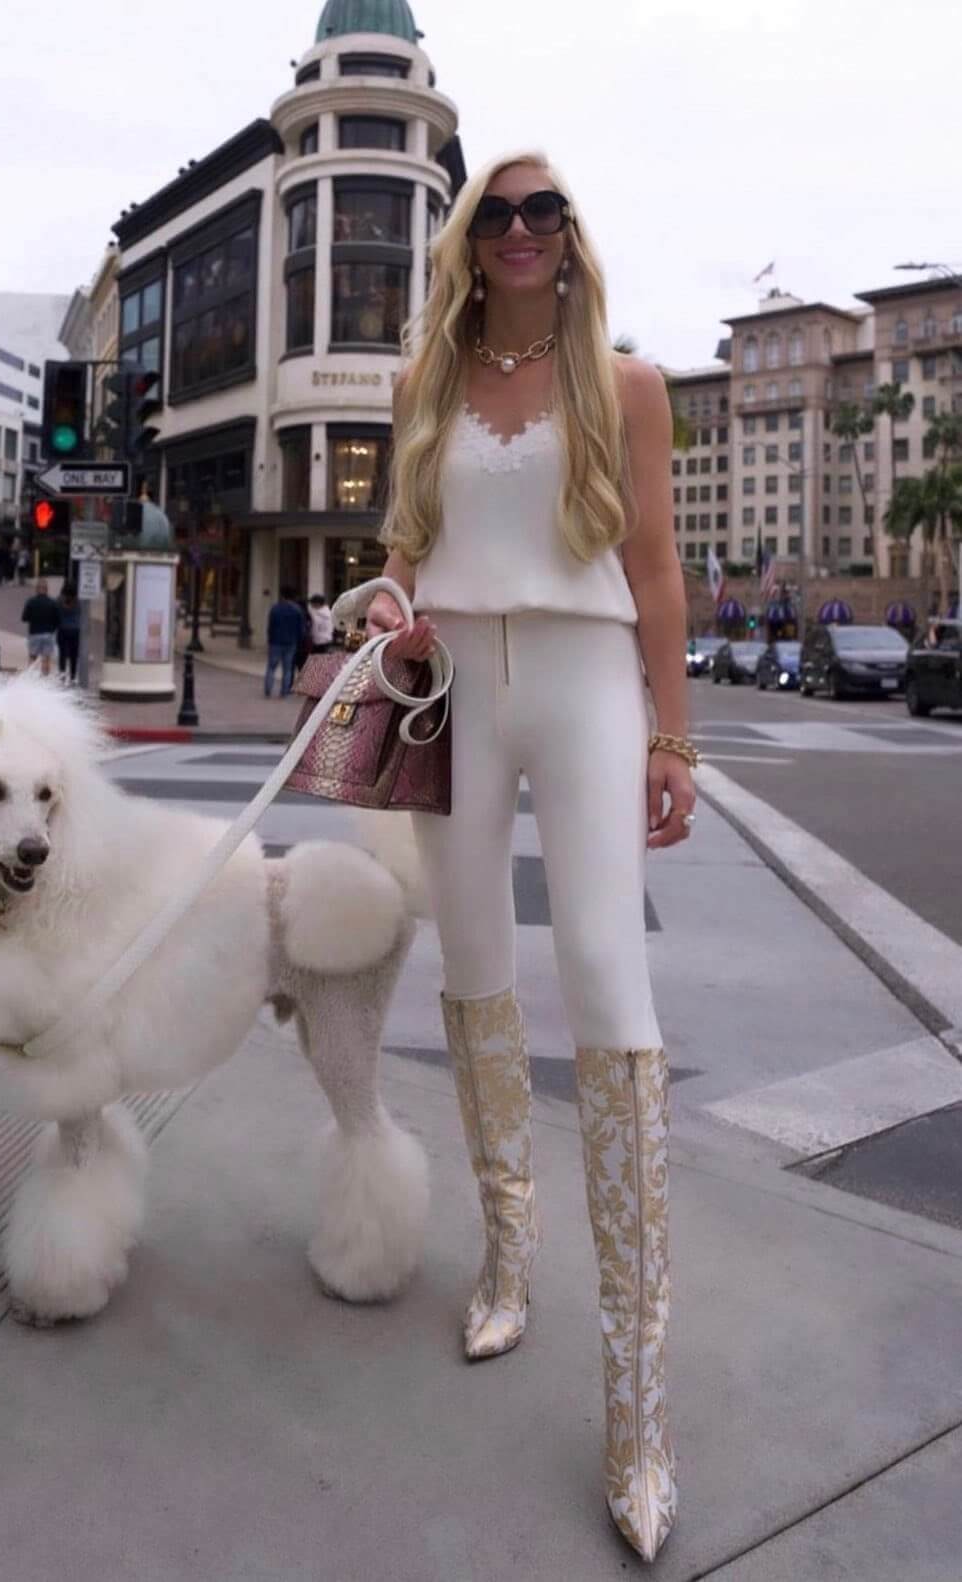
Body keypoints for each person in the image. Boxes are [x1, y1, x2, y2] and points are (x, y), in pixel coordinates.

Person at [366, 150, 696, 1564]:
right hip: (452, 686)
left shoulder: (625, 385)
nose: (516, 230)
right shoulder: (424, 382)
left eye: (539, 210)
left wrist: (671, 735)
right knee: (473, 966)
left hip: (583, 678)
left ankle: (637, 1404)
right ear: (469, 238)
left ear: (568, 235)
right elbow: (407, 543)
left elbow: (655, 566)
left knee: (610, 983)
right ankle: (507, 1252)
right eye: (494, 213)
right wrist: (391, 604)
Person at [264, 586, 305, 697]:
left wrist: (269, 639)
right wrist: (299, 640)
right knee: (287, 668)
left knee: (271, 666)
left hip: (276, 641)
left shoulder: (275, 608)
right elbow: (300, 629)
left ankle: (268, 689)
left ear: (282, 596)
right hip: (291, 642)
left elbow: (271, 626)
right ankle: (284, 691)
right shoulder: (297, 610)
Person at [21, 578, 60, 677]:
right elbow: (58, 619)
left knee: (32, 657)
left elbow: (24, 618)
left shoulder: (31, 602)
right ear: (47, 589)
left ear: (36, 589)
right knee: (46, 658)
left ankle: (31, 677)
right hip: (48, 633)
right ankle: (45, 678)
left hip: (34, 633)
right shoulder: (52, 602)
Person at [56, 583, 82, 685]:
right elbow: (81, 613)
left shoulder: (59, 601)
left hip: (62, 629)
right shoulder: (78, 601)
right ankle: (73, 676)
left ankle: (62, 672)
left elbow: (55, 611)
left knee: (62, 652)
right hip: (75, 630)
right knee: (73, 654)